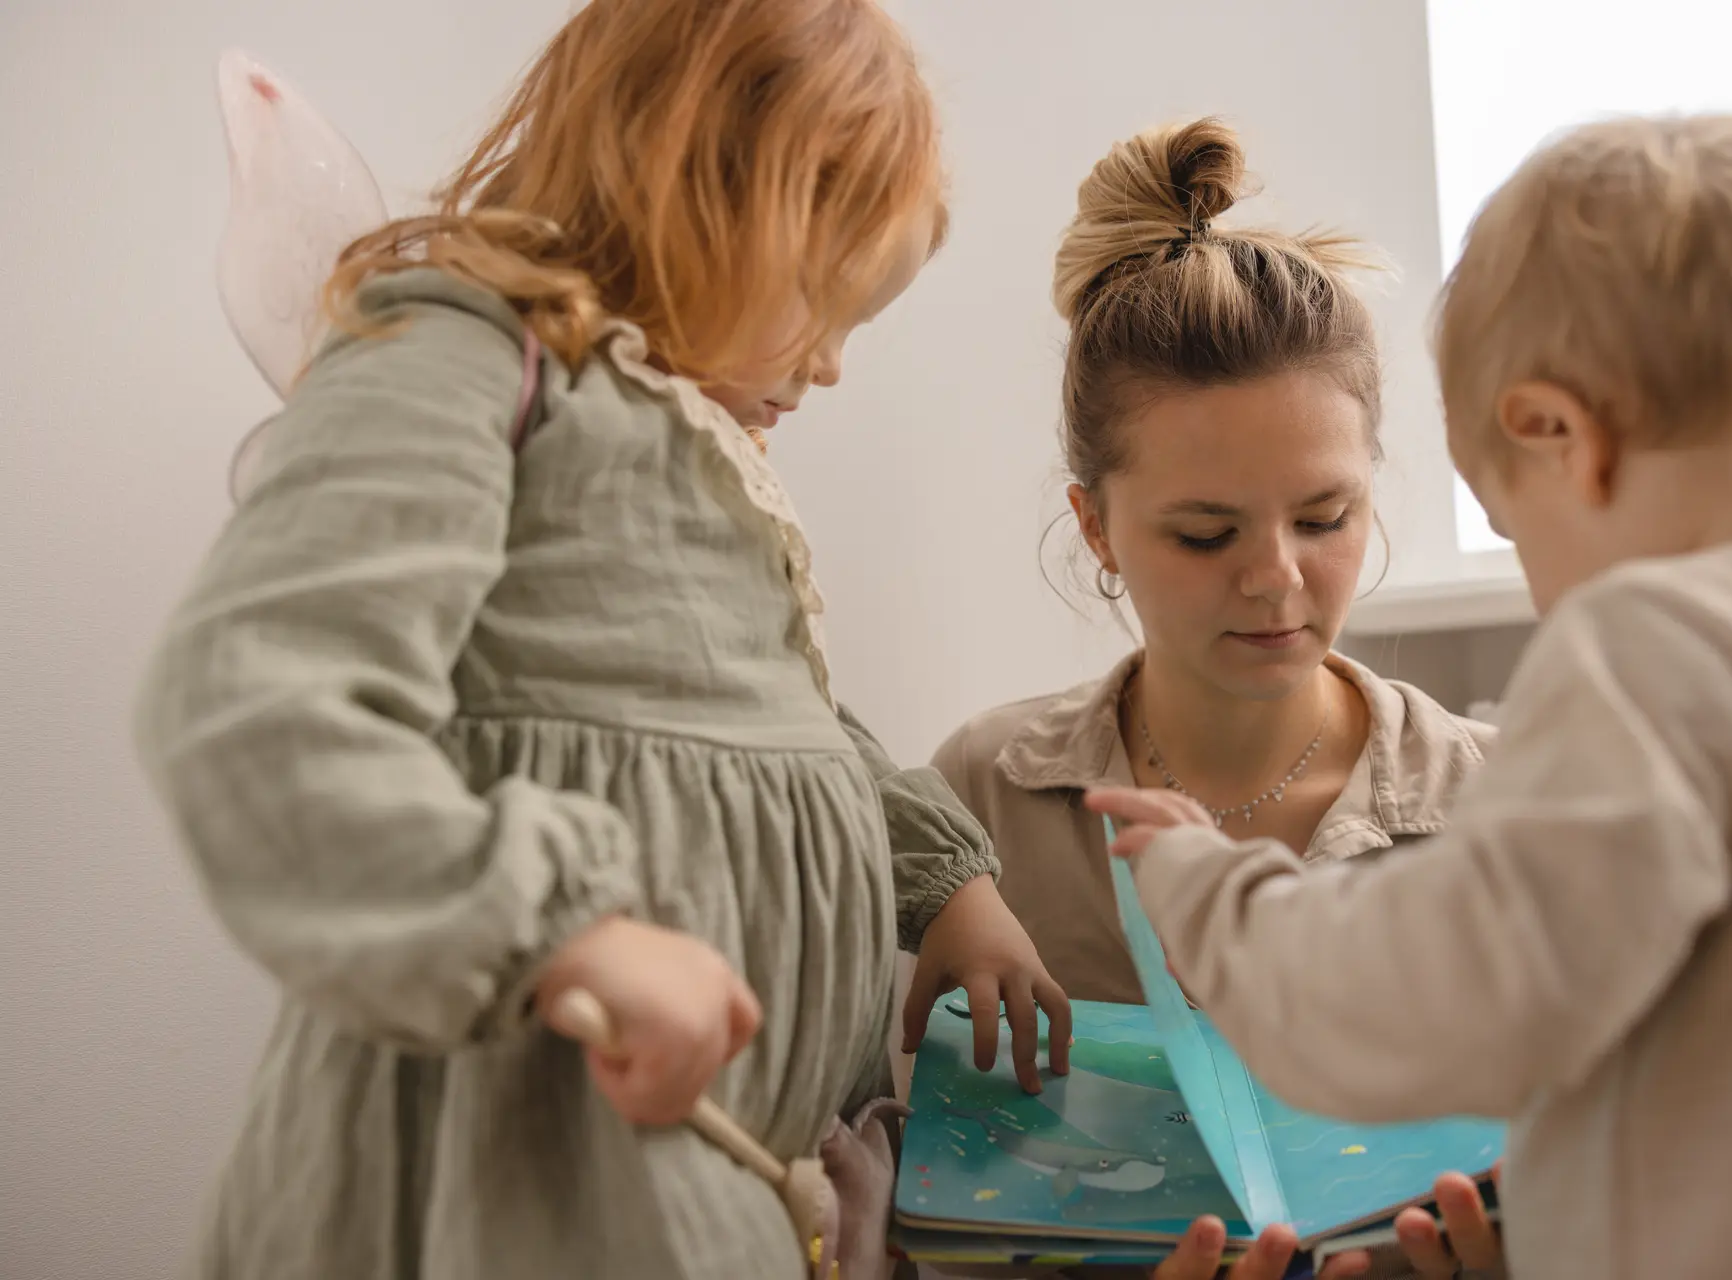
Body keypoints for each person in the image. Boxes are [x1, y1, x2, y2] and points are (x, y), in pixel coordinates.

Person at [132, 3, 1069, 1275]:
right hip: (523, 1177)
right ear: (698, 191)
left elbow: (790, 715)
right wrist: (559, 926)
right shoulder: (460, 358)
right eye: (824, 300)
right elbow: (255, 701)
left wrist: (944, 881)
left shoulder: (696, 457)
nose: (837, 365)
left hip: (728, 1185)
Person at [1092, 112, 1732, 1280]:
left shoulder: (1668, 641)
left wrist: (1209, 893)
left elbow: (1429, 998)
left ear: (1559, 436)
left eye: (1512, 517)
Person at [931, 120, 1505, 1279]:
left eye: (1325, 517)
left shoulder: (1502, 802)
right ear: (1095, 526)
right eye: (1206, 532)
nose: (1277, 577)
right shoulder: (977, 803)